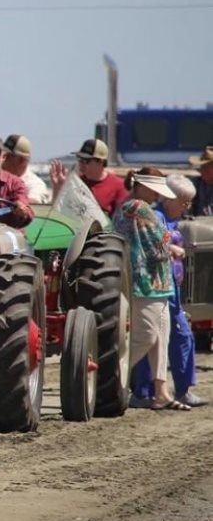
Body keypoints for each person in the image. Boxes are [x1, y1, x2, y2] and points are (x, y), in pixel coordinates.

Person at [113, 168, 190, 411]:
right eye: (155, 191)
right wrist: (175, 249)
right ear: (144, 187)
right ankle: (112, 376)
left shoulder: (130, 206)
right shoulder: (139, 207)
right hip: (147, 283)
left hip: (156, 284)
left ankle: (161, 392)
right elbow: (159, 244)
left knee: (159, 338)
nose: (158, 197)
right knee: (146, 336)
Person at [129, 173, 204, 407]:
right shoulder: (152, 214)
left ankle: (160, 391)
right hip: (156, 286)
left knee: (164, 339)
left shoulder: (161, 216)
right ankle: (143, 390)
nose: (187, 206)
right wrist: (173, 249)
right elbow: (154, 246)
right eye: (184, 201)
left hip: (168, 287)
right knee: (161, 337)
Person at [49, 138, 126, 215]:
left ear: (100, 162)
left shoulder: (118, 186)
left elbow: (121, 219)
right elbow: (57, 213)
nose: (81, 163)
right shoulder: (74, 183)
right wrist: (58, 187)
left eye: (86, 160)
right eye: (80, 159)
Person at [1, 134, 51, 203]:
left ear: (22, 160)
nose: (2, 159)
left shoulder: (34, 184)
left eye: (7, 156)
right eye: (1, 154)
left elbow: (33, 201)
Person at [191, 145, 213, 217]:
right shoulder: (195, 183)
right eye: (202, 167)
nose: (202, 170)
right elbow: (186, 201)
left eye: (206, 167)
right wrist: (186, 206)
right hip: (198, 224)